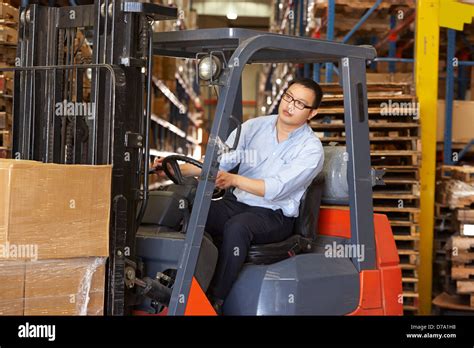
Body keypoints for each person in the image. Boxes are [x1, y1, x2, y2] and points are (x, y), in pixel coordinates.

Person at [152, 77, 324, 314]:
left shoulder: (311, 149)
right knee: (192, 210)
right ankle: (177, 285)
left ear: (312, 113)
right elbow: (218, 161)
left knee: (238, 227)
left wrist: (233, 180)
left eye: (300, 104)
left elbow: (276, 189)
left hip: (274, 214)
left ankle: (215, 300)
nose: (290, 105)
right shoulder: (254, 127)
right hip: (238, 202)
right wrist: (178, 167)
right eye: (288, 97)